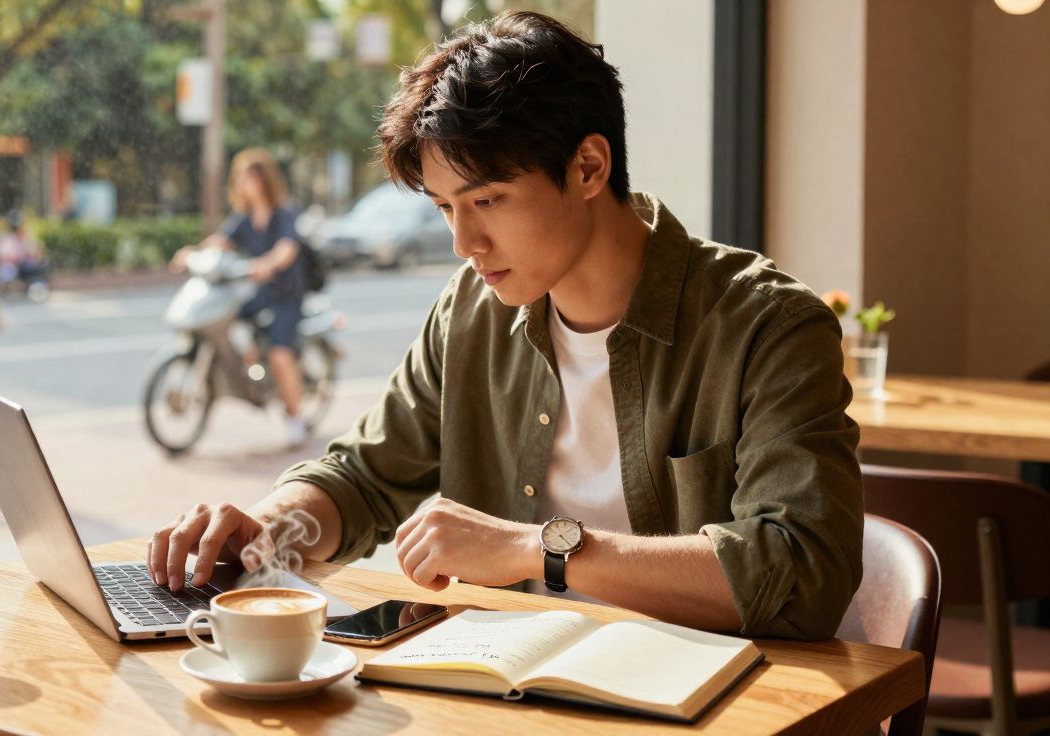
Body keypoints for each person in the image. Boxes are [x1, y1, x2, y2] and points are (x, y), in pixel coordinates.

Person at [148, 11, 863, 641]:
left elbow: (801, 572)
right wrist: (266, 528)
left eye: (487, 200)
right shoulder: (471, 311)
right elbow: (363, 477)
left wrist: (539, 550)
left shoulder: (769, 325)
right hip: (505, 688)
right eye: (443, 207)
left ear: (588, 166)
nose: (465, 243)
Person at [170, 148, 311, 447]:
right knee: (227, 320)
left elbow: (288, 248)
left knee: (279, 353)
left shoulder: (283, 213)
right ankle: (253, 371)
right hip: (257, 293)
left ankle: (296, 417)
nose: (246, 184)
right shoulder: (244, 218)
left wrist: (269, 263)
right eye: (241, 179)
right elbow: (220, 242)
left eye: (251, 178)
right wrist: (193, 253)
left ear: (264, 180)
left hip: (286, 296)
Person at [0, 209, 48, 301]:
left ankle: (36, 288)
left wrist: (29, 251)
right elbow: (0, 256)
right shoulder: (4, 238)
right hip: (10, 267)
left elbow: (37, 252)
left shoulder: (25, 237)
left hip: (24, 266)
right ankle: (7, 291)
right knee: (7, 271)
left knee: (34, 268)